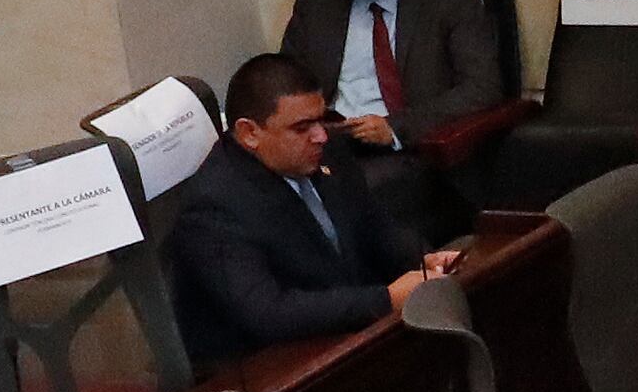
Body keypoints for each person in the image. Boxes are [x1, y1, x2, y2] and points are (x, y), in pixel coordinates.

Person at [168, 58, 447, 372]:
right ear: (249, 133)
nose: (320, 136)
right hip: (272, 371)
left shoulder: (326, 151)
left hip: (351, 340)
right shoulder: (213, 207)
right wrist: (384, 300)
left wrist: (423, 261)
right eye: (301, 128)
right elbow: (269, 313)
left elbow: (375, 227)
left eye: (321, 120)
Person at [276, 0, 508, 230]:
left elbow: (483, 87)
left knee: (346, 198)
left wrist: (396, 128)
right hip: (328, 141)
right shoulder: (317, 0)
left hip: (409, 147)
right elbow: (288, 80)